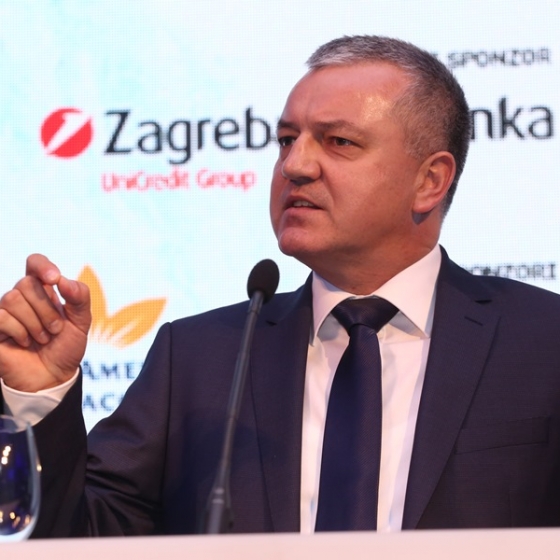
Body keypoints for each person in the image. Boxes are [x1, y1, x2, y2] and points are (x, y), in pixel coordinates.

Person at [1, 35, 560, 537]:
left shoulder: (542, 341)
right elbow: (78, 539)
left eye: (338, 142)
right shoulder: (198, 358)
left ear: (429, 180)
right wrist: (38, 397)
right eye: (287, 140)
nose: (295, 165)